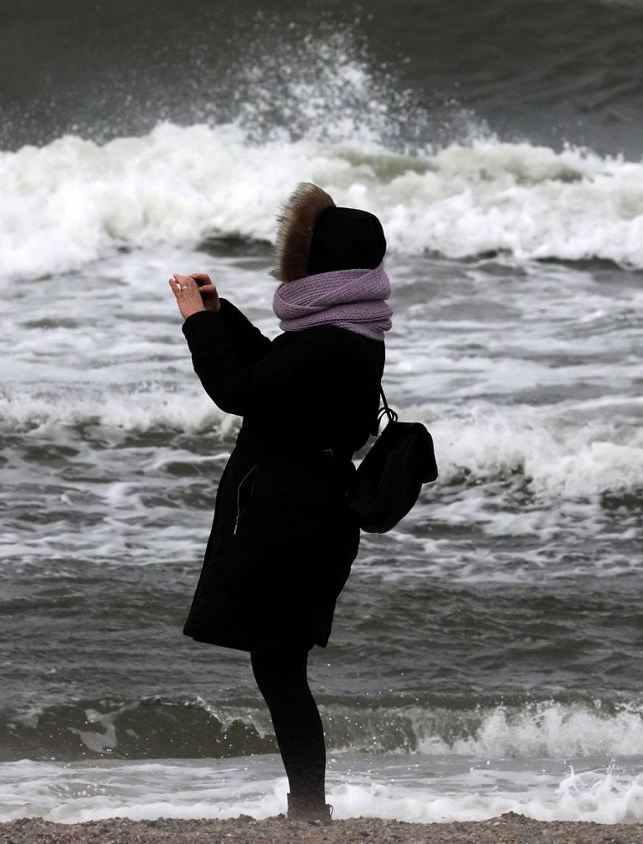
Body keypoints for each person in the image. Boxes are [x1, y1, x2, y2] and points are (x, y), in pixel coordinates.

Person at [165, 182, 390, 824]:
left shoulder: (327, 342)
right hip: (313, 513)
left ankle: (311, 809)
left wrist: (197, 323)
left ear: (322, 265)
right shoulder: (351, 331)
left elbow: (239, 389)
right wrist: (222, 311)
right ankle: (308, 806)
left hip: (294, 520)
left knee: (281, 669)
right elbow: (274, 372)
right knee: (280, 665)